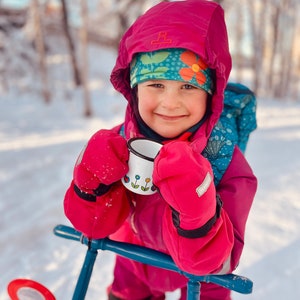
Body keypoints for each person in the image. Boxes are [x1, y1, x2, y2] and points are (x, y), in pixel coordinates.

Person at [63, 0, 257, 299]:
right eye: (155, 84)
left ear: (211, 94)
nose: (170, 103)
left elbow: (220, 261)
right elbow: (94, 227)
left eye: (189, 87)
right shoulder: (119, 142)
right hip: (132, 260)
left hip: (202, 282)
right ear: (134, 87)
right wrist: (91, 187)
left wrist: (197, 213)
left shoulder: (225, 159)